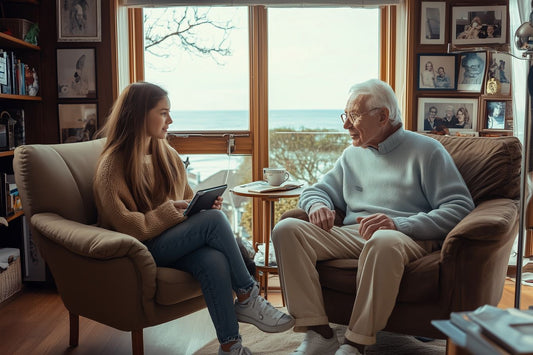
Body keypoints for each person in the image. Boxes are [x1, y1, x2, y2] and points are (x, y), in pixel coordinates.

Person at [271, 79, 474, 355]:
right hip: (355, 234)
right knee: (287, 230)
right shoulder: (351, 155)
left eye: (353, 116)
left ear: (382, 116)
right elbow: (317, 190)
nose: (346, 125)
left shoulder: (427, 151)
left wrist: (399, 224)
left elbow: (460, 207)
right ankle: (318, 332)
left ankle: (356, 342)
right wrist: (317, 204)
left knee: (383, 240)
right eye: (345, 115)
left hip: (405, 237)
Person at [93, 82, 294, 355]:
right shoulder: (112, 166)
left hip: (173, 243)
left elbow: (186, 202)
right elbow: (131, 226)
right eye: (163, 113)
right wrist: (172, 212)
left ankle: (230, 345)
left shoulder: (168, 156)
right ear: (140, 114)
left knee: (214, 259)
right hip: (142, 249)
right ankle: (247, 295)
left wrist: (201, 206)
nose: (170, 120)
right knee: (212, 221)